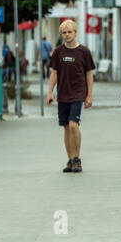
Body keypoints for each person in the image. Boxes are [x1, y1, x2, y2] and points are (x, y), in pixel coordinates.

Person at [46, 20, 95, 173]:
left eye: (69, 32)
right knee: (66, 128)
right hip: (63, 93)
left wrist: (89, 96)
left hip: (78, 92)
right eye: (64, 33)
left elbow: (89, 74)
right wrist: (49, 93)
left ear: (75, 32)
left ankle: (77, 159)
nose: (67, 35)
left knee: (74, 125)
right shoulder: (58, 52)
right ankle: (70, 160)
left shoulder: (84, 52)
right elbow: (54, 73)